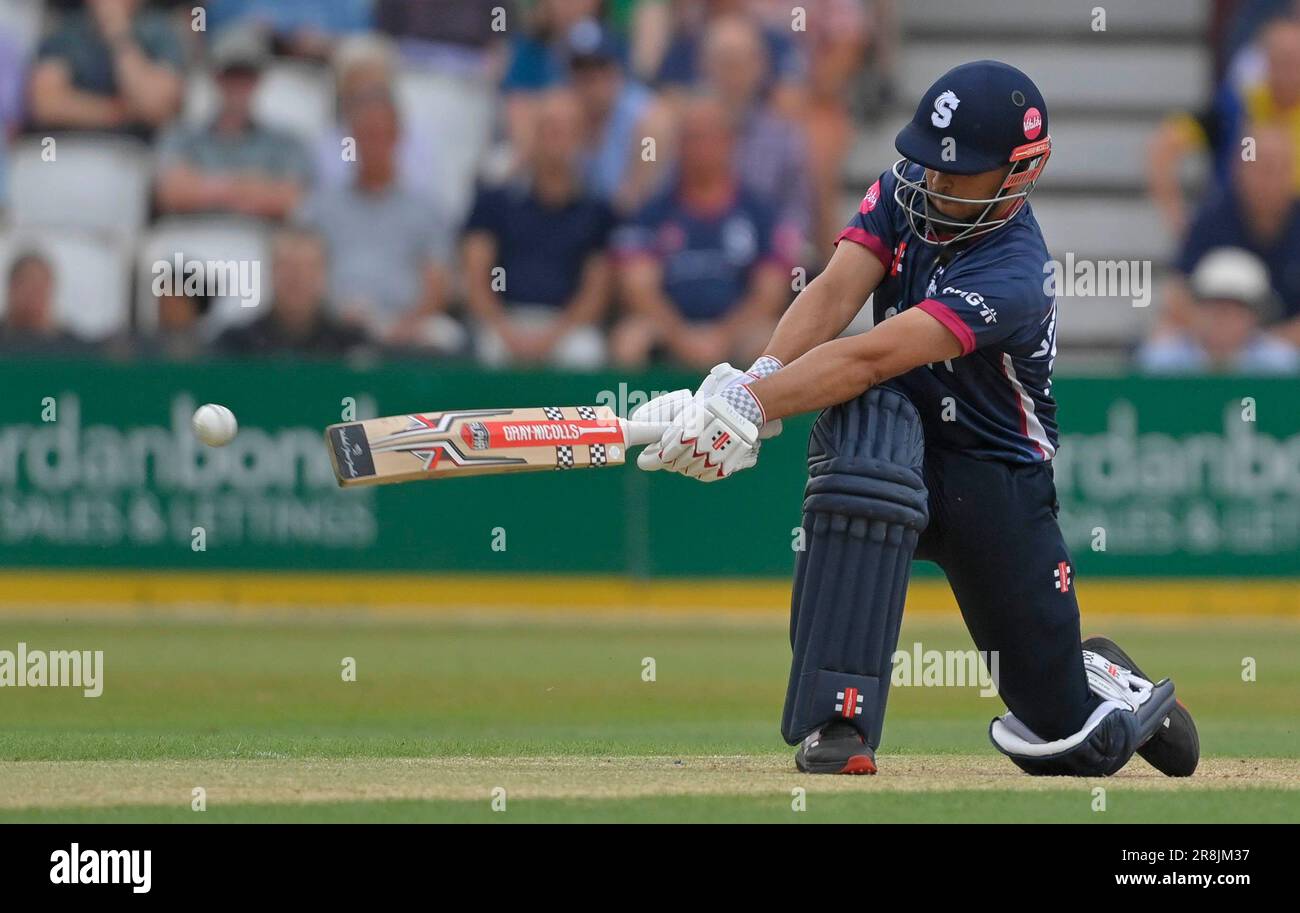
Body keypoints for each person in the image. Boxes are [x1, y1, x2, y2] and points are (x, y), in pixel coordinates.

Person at [629, 61, 1200, 779]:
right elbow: (836, 287)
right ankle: (839, 721)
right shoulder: (904, 189)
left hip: (995, 477)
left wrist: (749, 408)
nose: (934, 184)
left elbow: (872, 353)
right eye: (928, 164)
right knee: (863, 458)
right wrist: (754, 377)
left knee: (1070, 745)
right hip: (897, 431)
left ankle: (1102, 680)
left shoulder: (1014, 273)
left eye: (957, 175)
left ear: (1018, 173)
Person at [611, 95, 793, 369]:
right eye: (691, 138)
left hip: (738, 329)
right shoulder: (653, 211)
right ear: (678, 145)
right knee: (629, 341)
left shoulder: (759, 212)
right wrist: (681, 336)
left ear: (730, 142)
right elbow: (638, 288)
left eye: (710, 137)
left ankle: (755, 411)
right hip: (668, 327)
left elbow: (770, 292)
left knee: (770, 342)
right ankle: (641, 410)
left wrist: (723, 335)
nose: (700, 148)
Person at [295, 85, 460, 350]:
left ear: (398, 138)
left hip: (407, 325)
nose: (374, 145)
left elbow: (438, 280)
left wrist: (408, 324)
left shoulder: (427, 208)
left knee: (449, 340)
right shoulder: (321, 207)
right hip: (333, 325)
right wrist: (332, 312)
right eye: (366, 136)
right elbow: (304, 272)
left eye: (382, 135)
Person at [462, 89, 615, 368]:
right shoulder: (495, 201)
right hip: (505, 319)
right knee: (488, 350)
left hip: (566, 325)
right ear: (534, 134)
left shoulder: (597, 211)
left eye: (567, 130)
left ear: (582, 139)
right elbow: (476, 278)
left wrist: (553, 336)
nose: (556, 140)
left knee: (584, 354)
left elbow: (596, 291)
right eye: (549, 129)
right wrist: (505, 330)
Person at [1149, 124, 1300, 347]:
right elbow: (1178, 295)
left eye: (1277, 169)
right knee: (1161, 345)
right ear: (1239, 171)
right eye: (1260, 168)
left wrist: (1270, 343)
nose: (1268, 181)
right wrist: (1220, 335)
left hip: (1289, 347)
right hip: (1214, 346)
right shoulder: (1212, 220)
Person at [155, 27, 313, 220]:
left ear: (258, 79)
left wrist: (205, 186)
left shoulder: (285, 142)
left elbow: (291, 201)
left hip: (262, 243)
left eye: (246, 74)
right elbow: (172, 194)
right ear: (215, 78)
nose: (238, 83)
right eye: (231, 74)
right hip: (196, 238)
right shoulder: (182, 135)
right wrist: (249, 186)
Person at [27, 0, 184, 139]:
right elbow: (45, 105)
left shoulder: (161, 33)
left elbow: (154, 106)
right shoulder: (67, 31)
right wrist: (116, 111)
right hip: (65, 150)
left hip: (132, 154)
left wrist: (118, 33)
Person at [1138, 247, 1298, 374]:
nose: (1223, 318)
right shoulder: (1160, 361)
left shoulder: (1281, 364)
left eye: (1236, 310)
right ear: (1197, 309)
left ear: (1254, 316)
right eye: (1215, 307)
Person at [215, 228, 368, 358]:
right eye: (287, 268)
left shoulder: (351, 346)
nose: (297, 279)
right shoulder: (236, 344)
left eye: (308, 269)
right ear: (271, 272)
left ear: (324, 275)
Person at [0, 252, 97, 356]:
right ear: (11, 288)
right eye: (27, 286)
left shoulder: (73, 349)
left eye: (38, 288)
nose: (32, 296)